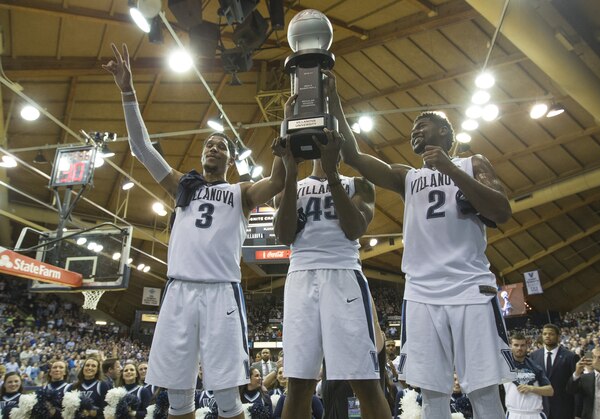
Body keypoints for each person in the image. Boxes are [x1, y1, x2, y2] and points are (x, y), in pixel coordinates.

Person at [103, 43, 285, 419]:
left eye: (221, 146)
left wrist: (286, 127)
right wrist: (127, 91)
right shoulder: (181, 186)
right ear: (202, 156)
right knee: (178, 398)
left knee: (228, 398)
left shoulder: (241, 192)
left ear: (230, 160)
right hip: (179, 290)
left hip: (221, 293)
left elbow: (279, 179)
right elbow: (140, 147)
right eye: (209, 144)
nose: (214, 147)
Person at [328, 68, 515, 419]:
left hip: (470, 288)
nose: (413, 130)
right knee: (432, 396)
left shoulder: (472, 163)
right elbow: (352, 155)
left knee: (485, 393)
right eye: (412, 127)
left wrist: (452, 171)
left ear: (444, 131)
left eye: (422, 125)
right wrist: (334, 97)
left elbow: (502, 211)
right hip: (422, 293)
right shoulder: (406, 176)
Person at [273, 125, 391, 418]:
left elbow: (354, 229)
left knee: (365, 382)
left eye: (332, 139)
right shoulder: (293, 186)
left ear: (341, 144)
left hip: (343, 273)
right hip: (301, 275)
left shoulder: (360, 184)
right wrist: (290, 173)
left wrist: (332, 174)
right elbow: (284, 235)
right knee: (299, 385)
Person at [530, 324, 579, 419]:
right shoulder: (534, 356)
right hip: (540, 408)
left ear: (558, 337)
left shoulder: (570, 357)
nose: (547, 336)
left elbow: (575, 385)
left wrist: (577, 412)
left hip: (564, 408)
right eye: (545, 334)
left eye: (551, 334)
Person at [503, 332, 553, 419]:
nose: (519, 348)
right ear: (511, 346)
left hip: (535, 414)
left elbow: (550, 391)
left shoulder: (536, 367)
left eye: (522, 345)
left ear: (527, 346)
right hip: (513, 413)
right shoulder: (504, 365)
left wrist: (531, 388)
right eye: (516, 345)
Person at [566, 347, 600, 419]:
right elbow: (571, 390)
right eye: (594, 358)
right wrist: (577, 373)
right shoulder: (585, 378)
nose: (596, 361)